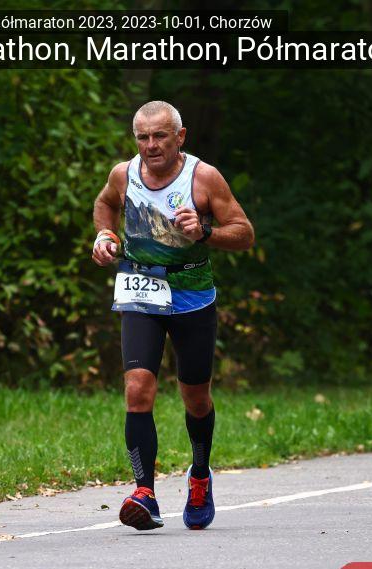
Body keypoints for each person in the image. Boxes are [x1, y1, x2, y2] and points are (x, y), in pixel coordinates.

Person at [92, 101, 254, 531]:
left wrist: (204, 231)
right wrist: (105, 235)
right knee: (137, 389)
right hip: (140, 290)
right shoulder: (123, 174)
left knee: (195, 398)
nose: (151, 145)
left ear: (180, 137)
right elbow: (105, 204)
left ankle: (199, 475)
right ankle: (144, 493)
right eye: (142, 137)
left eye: (160, 136)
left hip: (191, 295)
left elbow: (244, 234)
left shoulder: (203, 178)